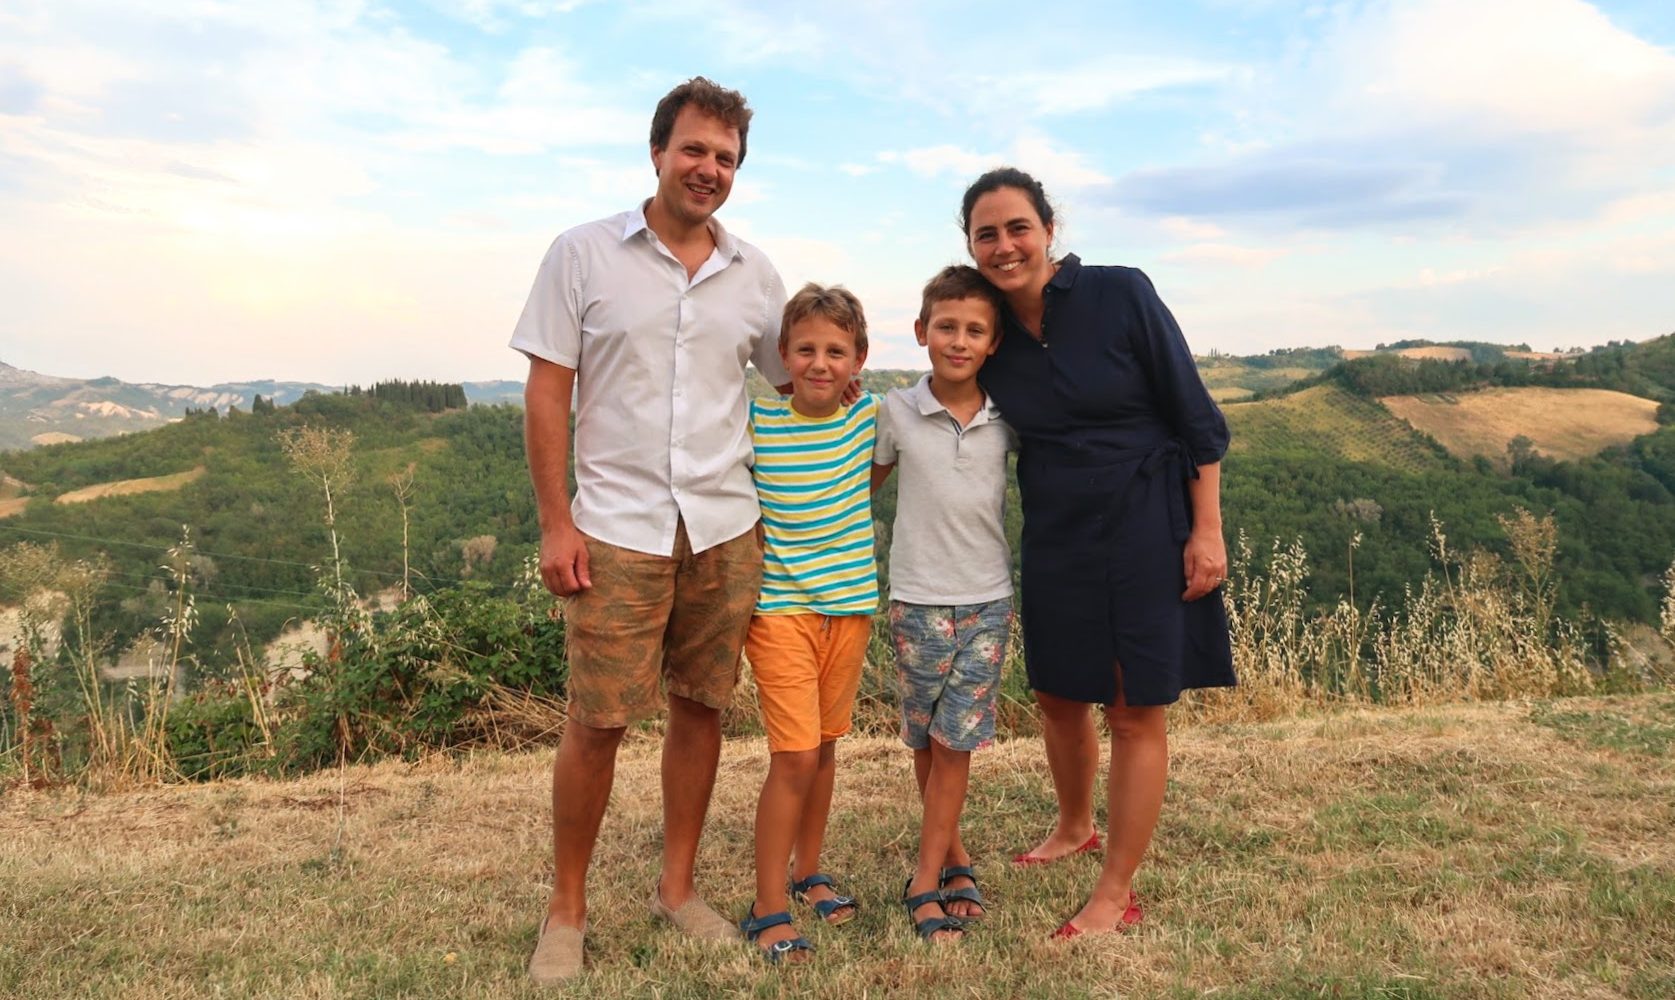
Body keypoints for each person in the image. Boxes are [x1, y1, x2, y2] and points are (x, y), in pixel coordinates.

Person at [509, 77, 792, 984]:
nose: (709, 170)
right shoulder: (582, 254)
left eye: (726, 158)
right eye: (695, 150)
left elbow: (802, 387)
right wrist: (557, 523)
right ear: (657, 152)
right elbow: (548, 390)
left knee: (701, 709)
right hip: (618, 528)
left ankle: (677, 890)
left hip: (724, 526)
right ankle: (566, 909)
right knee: (596, 722)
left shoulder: (756, 277)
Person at [960, 166, 1236, 938]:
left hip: (1148, 519)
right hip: (1056, 527)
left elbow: (1196, 418)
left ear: (1049, 230)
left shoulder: (1121, 292)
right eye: (988, 233)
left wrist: (1205, 530)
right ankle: (1074, 824)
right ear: (971, 246)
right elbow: (947, 389)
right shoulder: (991, 332)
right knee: (1056, 691)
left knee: (1131, 707)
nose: (1006, 244)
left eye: (1018, 227)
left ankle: (1115, 890)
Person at [871, 265, 1016, 943]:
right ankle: (954, 854)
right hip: (915, 599)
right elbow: (859, 487)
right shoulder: (894, 411)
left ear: (993, 342)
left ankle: (924, 881)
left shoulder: (1007, 416)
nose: (958, 341)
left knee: (956, 742)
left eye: (975, 330)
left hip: (986, 597)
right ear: (922, 331)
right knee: (926, 739)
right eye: (947, 327)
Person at [737, 284, 880, 963]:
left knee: (823, 747)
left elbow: (872, 475)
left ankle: (808, 870)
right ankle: (767, 905)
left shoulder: (870, 418)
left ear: (859, 359)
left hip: (848, 609)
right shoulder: (758, 422)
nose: (820, 363)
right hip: (779, 611)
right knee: (792, 755)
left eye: (835, 351)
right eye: (805, 349)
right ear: (783, 356)